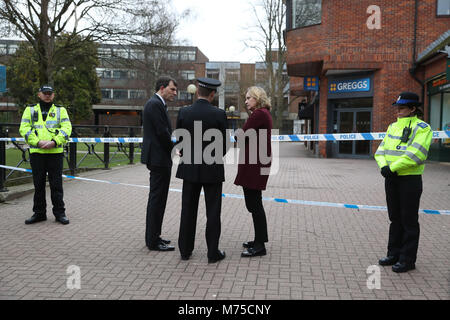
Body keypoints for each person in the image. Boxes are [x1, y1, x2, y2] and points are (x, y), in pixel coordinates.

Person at [375, 92, 433, 273]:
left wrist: (392, 168)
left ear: (413, 109)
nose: (397, 111)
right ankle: (393, 254)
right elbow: (380, 150)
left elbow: (416, 154)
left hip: (409, 180)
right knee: (395, 218)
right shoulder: (393, 127)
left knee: (409, 220)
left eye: (401, 108)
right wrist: (384, 167)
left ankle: (407, 260)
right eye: (397, 108)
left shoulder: (422, 128)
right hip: (391, 178)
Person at [175, 77, 228, 263]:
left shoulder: (184, 112)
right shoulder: (219, 114)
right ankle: (212, 253)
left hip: (189, 168)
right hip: (212, 169)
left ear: (197, 91)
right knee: (213, 212)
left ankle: (185, 250)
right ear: (212, 94)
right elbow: (224, 146)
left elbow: (179, 141)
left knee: (188, 210)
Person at [19, 85, 72, 225]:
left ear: (53, 95)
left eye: (50, 93)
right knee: (38, 185)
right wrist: (37, 142)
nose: (47, 95)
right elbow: (24, 128)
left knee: (56, 185)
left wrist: (54, 142)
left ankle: (60, 213)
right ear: (39, 94)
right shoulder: (30, 110)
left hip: (55, 153)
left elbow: (67, 129)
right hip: (37, 153)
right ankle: (39, 213)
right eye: (45, 93)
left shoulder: (61, 110)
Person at [234, 86, 272, 258]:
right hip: (255, 164)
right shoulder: (263, 114)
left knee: (255, 205)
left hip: (254, 166)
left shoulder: (258, 114)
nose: (246, 101)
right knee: (254, 204)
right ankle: (258, 240)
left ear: (257, 98)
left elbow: (240, 136)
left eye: (249, 98)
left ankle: (260, 246)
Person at [141, 76, 177, 252]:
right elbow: (162, 133)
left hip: (158, 157)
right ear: (162, 88)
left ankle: (155, 236)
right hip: (158, 158)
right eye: (172, 89)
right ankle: (153, 241)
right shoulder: (155, 104)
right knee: (157, 199)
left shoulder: (156, 103)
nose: (175, 93)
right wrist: (176, 148)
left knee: (158, 199)